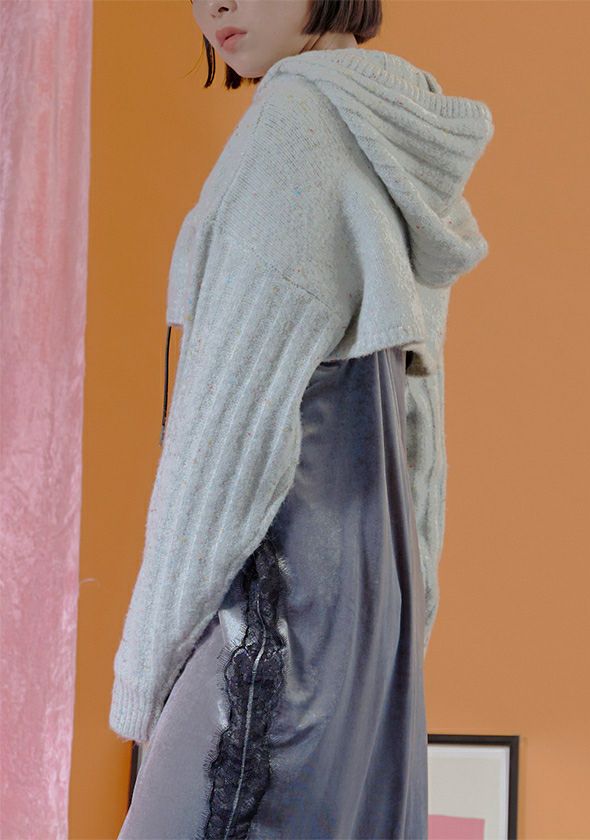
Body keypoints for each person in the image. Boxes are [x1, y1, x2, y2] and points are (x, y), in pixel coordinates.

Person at [110, 0, 495, 837]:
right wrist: (405, 624)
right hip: (370, 609)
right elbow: (418, 428)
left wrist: (145, 669)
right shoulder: (394, 137)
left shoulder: (293, 125)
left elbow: (224, 436)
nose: (215, 6)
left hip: (278, 602)